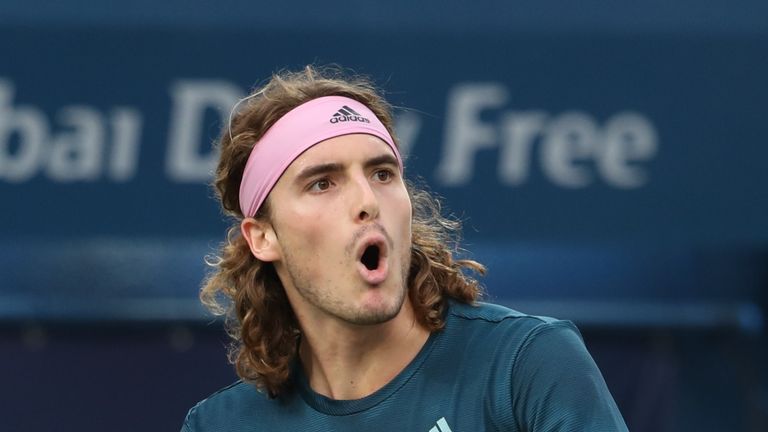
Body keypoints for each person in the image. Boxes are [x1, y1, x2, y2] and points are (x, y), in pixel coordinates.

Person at [182, 65, 628, 431]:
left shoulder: (528, 364)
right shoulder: (219, 425)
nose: (367, 202)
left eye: (381, 174)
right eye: (322, 183)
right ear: (263, 237)